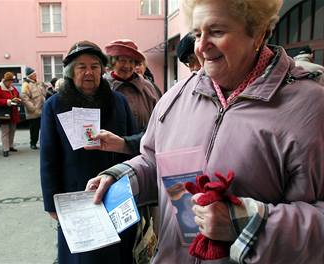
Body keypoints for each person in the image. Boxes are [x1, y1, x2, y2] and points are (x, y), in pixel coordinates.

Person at [86, 0, 324, 263]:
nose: (201, 46)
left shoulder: (310, 107)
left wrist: (247, 222)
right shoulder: (176, 96)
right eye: (197, 33)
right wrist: (122, 180)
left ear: (259, 33)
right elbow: (155, 161)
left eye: (217, 32)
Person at [40, 40, 137, 264]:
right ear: (70, 72)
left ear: (102, 71)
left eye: (94, 66)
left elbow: (133, 143)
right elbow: (48, 156)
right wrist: (51, 202)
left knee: (119, 251)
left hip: (115, 190)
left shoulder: (118, 101)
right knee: (81, 255)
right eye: (81, 66)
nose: (88, 72)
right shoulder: (55, 105)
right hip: (76, 193)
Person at [105, 39, 160, 132]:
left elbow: (159, 119)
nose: (127, 66)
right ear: (112, 62)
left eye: (131, 61)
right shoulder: (103, 86)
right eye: (122, 60)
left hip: (142, 144)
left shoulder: (147, 87)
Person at [0, 72, 21, 157]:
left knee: (12, 130)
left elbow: (17, 95)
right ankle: (5, 149)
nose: (10, 83)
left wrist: (17, 100)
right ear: (5, 81)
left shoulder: (13, 88)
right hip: (3, 112)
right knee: (5, 132)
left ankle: (10, 146)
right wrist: (9, 101)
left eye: (11, 81)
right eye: (9, 81)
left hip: (13, 112)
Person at [21, 67, 46, 150]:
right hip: (33, 112)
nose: (35, 75)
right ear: (30, 76)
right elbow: (24, 98)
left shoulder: (37, 83)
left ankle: (42, 143)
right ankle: (33, 143)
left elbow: (43, 94)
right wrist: (33, 108)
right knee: (34, 129)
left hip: (41, 110)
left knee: (43, 128)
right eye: (34, 74)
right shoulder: (26, 85)